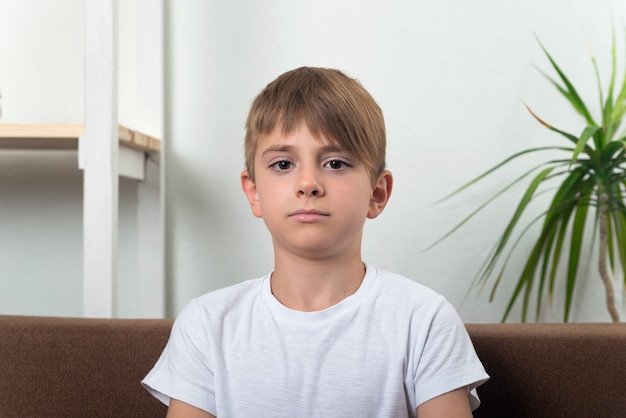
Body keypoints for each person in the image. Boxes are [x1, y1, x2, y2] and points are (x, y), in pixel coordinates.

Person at [142, 67, 489, 418]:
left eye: (335, 163)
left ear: (377, 193)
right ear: (254, 192)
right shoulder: (206, 324)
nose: (308, 183)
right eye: (283, 164)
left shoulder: (424, 320)